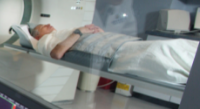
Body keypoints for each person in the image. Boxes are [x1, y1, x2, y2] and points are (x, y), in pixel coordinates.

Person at [30, 23, 198, 84]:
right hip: (116, 52)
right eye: (43, 26)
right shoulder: (45, 41)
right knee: (161, 51)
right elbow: (57, 54)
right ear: (37, 35)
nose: (49, 24)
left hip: (118, 43)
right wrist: (79, 32)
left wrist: (96, 31)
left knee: (178, 45)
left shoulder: (61, 32)